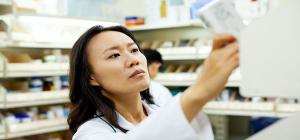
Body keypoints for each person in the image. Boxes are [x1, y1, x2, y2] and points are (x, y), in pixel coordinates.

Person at [68, 25, 239, 140]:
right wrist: (199, 92)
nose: (133, 60)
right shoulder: (91, 134)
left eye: (134, 50)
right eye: (114, 55)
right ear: (92, 77)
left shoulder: (160, 111)